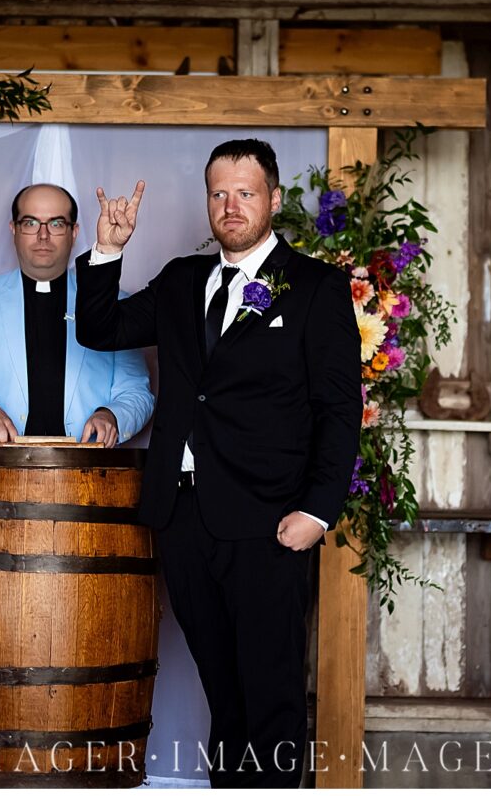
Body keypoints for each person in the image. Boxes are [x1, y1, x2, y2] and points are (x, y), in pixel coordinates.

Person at [74, 140, 361, 787]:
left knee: (272, 694)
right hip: (183, 517)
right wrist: (109, 250)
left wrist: (317, 509)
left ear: (274, 199)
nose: (230, 206)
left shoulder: (315, 288)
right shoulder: (181, 280)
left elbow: (340, 411)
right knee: (223, 689)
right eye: (219, 193)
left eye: (246, 192)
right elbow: (98, 328)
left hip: (269, 521)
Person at [0, 183, 154, 445]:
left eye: (56, 223)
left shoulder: (112, 302)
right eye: (31, 223)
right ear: (14, 229)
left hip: (88, 473)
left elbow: (137, 394)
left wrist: (112, 416)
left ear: (74, 232)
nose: (43, 236)